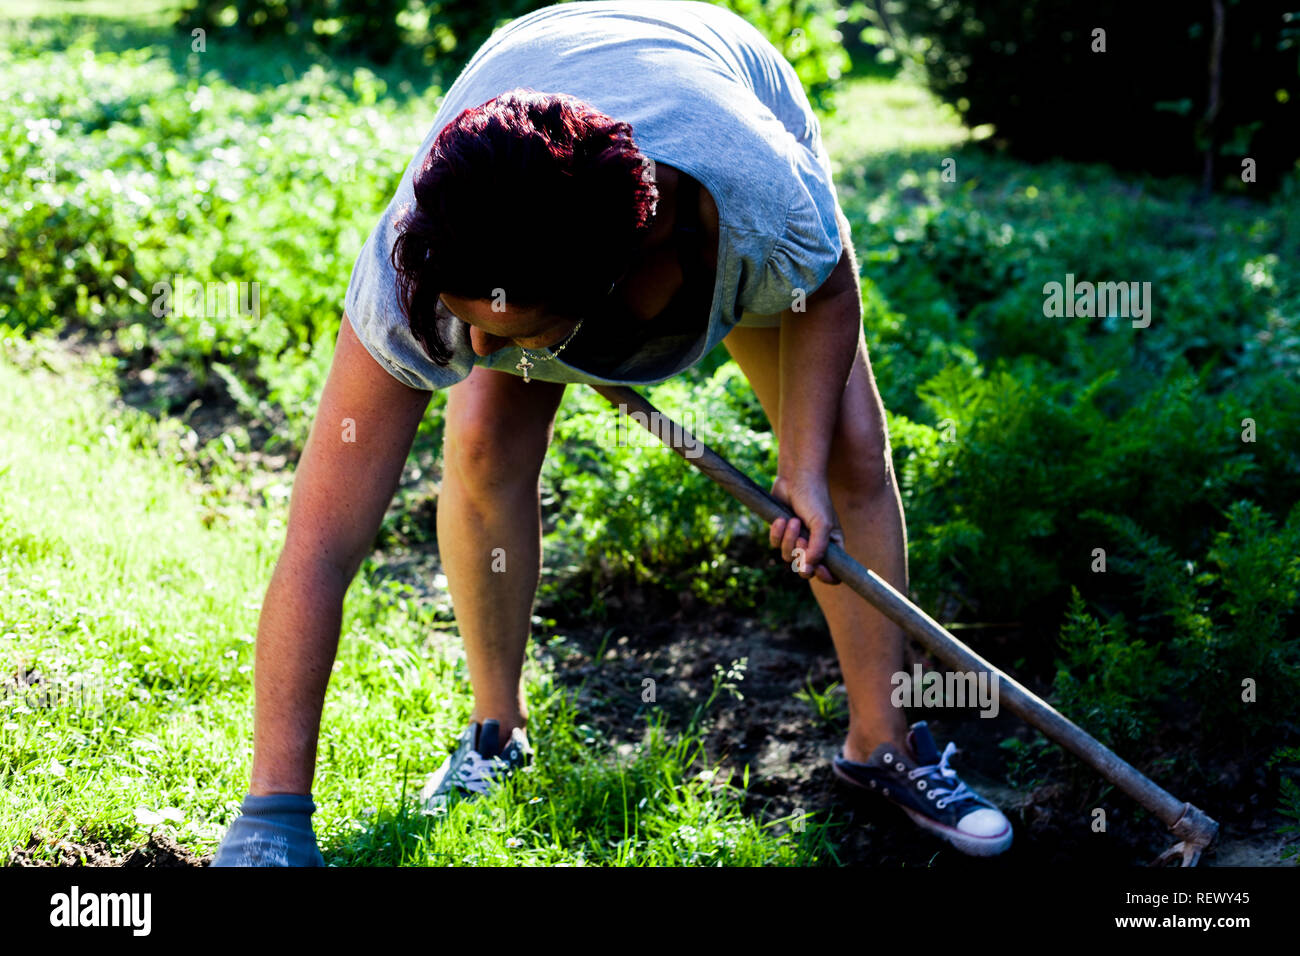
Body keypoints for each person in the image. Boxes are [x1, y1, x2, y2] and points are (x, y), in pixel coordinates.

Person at [212, 0, 1011, 866]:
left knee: (848, 450)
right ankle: (496, 731)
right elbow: (321, 542)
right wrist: (274, 815)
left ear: (603, 287)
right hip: (539, 99)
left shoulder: (751, 195)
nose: (473, 348)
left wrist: (801, 465)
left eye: (501, 329)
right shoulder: (425, 263)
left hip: (709, 81)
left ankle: (881, 744)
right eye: (466, 321)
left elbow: (825, 283)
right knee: (481, 443)